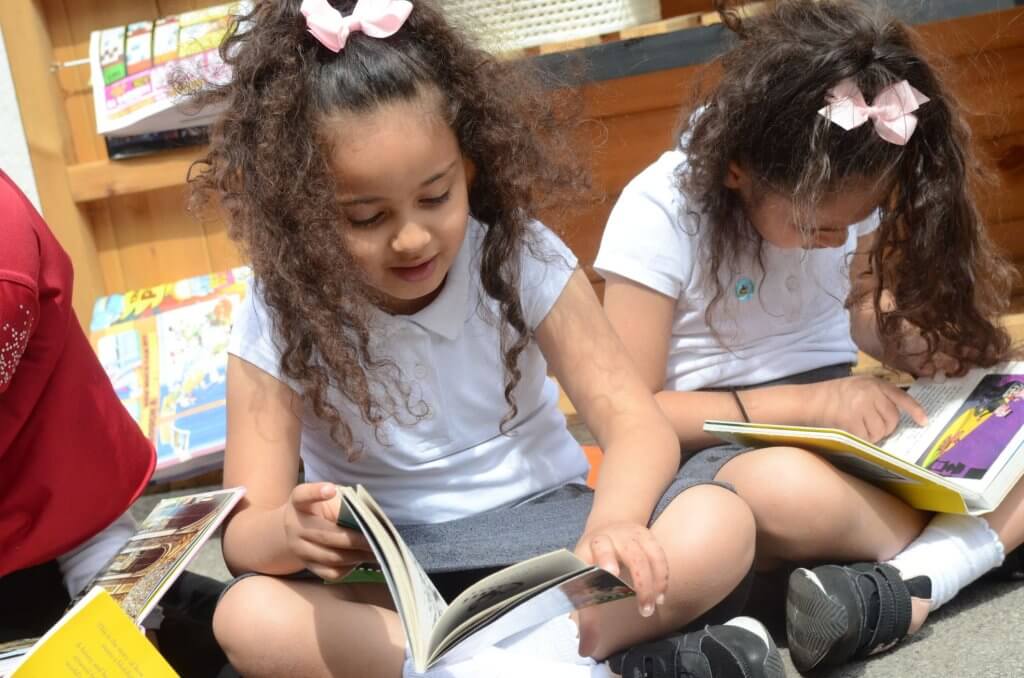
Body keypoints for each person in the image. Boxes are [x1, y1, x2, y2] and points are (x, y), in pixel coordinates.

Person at [187, 1, 785, 677]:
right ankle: (558, 663)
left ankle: (516, 662)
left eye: (435, 197)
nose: (411, 236)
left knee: (720, 521)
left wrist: (613, 525)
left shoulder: (518, 253)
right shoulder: (279, 305)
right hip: (393, 582)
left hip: (554, 548)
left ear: (469, 165)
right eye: (365, 216)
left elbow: (636, 424)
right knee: (246, 614)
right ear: (301, 209)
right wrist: (289, 533)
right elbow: (242, 532)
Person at [595, 0, 1021, 673]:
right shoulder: (658, 213)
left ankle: (899, 583)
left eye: (851, 225)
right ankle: (956, 557)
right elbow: (626, 411)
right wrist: (811, 407)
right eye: (815, 228)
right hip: (724, 447)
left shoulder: (834, 180)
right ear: (739, 167)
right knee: (780, 487)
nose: (833, 240)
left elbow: (849, 309)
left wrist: (907, 344)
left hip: (847, 431)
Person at [0, 170, 229, 677]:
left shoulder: (6, 271)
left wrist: (118, 615)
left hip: (60, 527)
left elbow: (80, 502)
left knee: (184, 629)